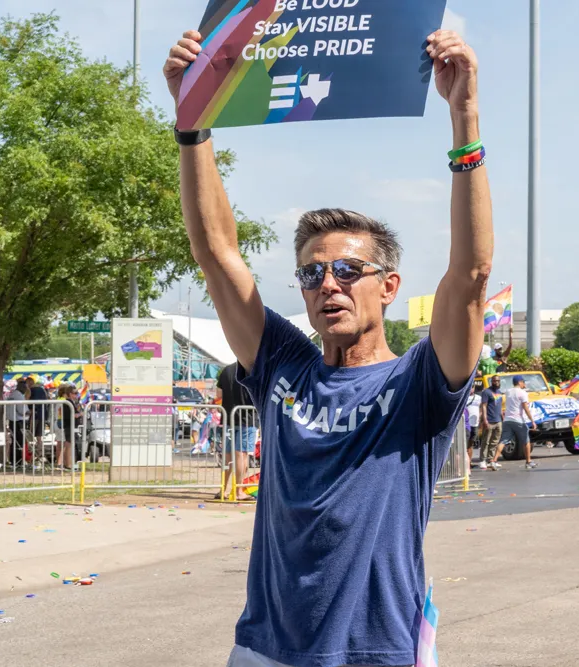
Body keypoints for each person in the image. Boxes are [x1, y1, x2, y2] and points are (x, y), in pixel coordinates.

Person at [165, 26, 491, 667]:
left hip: (373, 652)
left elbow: (472, 275)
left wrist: (465, 116)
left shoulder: (420, 382)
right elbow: (217, 254)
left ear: (389, 286)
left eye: (347, 270)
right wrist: (193, 121)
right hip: (264, 650)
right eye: (312, 274)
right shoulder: (284, 364)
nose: (328, 285)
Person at [217, 361, 256, 501]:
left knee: (228, 456)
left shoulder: (226, 370)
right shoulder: (252, 369)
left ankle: (223, 489)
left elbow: (218, 394)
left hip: (228, 418)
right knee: (241, 455)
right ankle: (239, 491)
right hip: (247, 419)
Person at [504, 376, 538, 469]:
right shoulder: (523, 393)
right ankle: (528, 461)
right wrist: (532, 421)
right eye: (523, 382)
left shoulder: (508, 392)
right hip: (518, 420)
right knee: (526, 441)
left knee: (503, 441)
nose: (524, 384)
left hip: (508, 419)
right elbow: (525, 408)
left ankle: (494, 461)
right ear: (519, 382)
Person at [479, 375, 504, 470]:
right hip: (489, 420)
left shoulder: (499, 392)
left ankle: (491, 460)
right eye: (494, 381)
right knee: (486, 441)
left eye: (498, 381)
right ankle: (483, 460)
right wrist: (485, 419)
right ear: (491, 381)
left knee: (495, 441)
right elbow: (484, 406)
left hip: (498, 420)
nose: (496, 382)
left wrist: (502, 416)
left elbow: (500, 406)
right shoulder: (486, 392)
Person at [8, 379, 29, 469]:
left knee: (14, 442)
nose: (26, 390)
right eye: (25, 388)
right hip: (19, 421)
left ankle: (14, 461)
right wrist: (30, 412)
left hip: (12, 421)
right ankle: (18, 461)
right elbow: (22, 411)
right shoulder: (19, 396)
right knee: (19, 443)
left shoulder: (12, 394)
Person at [465, 383, 482, 471]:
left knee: (470, 444)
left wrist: (480, 417)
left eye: (472, 387)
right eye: (470, 387)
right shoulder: (464, 397)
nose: (471, 389)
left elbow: (482, 408)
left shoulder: (478, 398)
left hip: (475, 424)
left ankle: (469, 462)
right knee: (464, 444)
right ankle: (464, 464)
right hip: (466, 424)